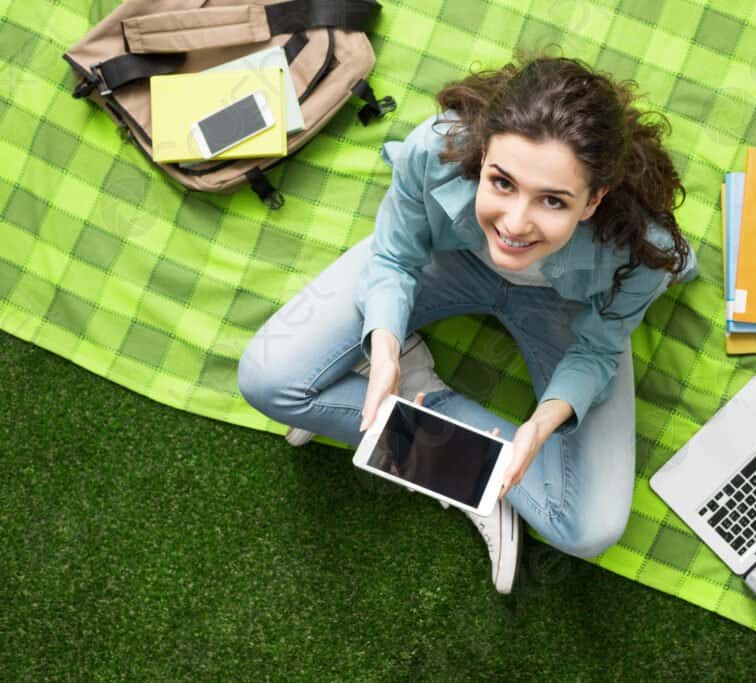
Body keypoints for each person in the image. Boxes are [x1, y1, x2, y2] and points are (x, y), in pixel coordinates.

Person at [237, 52, 699, 594]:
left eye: (552, 200)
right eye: (502, 183)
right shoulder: (433, 148)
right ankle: (432, 409)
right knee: (269, 383)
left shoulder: (642, 252)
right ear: (482, 157)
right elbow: (393, 259)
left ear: (594, 200)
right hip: (450, 260)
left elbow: (597, 352)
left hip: (563, 307)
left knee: (586, 528)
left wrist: (541, 424)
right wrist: (385, 349)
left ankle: (441, 429)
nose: (515, 224)